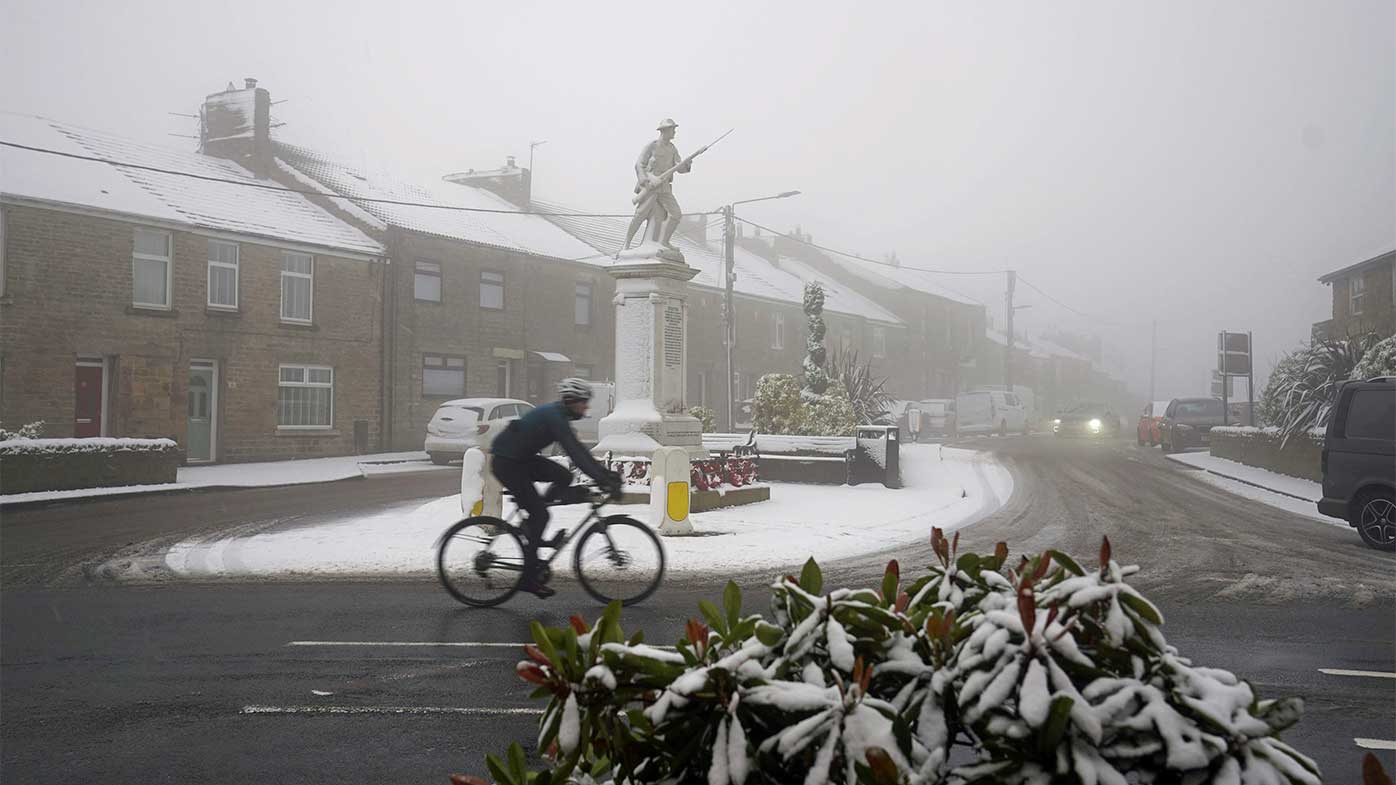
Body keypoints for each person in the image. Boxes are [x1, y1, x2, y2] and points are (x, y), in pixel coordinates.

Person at [489, 378, 622, 598]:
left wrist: (603, 475)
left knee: (563, 476)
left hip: (520, 459)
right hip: (508, 463)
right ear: (572, 400)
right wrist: (603, 478)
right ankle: (528, 579)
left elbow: (577, 450)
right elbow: (576, 453)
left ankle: (531, 525)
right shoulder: (555, 417)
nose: (586, 407)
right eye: (584, 403)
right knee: (541, 515)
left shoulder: (558, 415)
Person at [622, 118, 691, 251]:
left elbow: (679, 167)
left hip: (664, 187)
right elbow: (639, 164)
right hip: (650, 186)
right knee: (640, 215)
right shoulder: (652, 146)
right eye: (672, 129)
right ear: (665, 131)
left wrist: (687, 164)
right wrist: (646, 179)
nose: (674, 132)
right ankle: (627, 243)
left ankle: (664, 241)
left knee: (676, 214)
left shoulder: (672, 149)